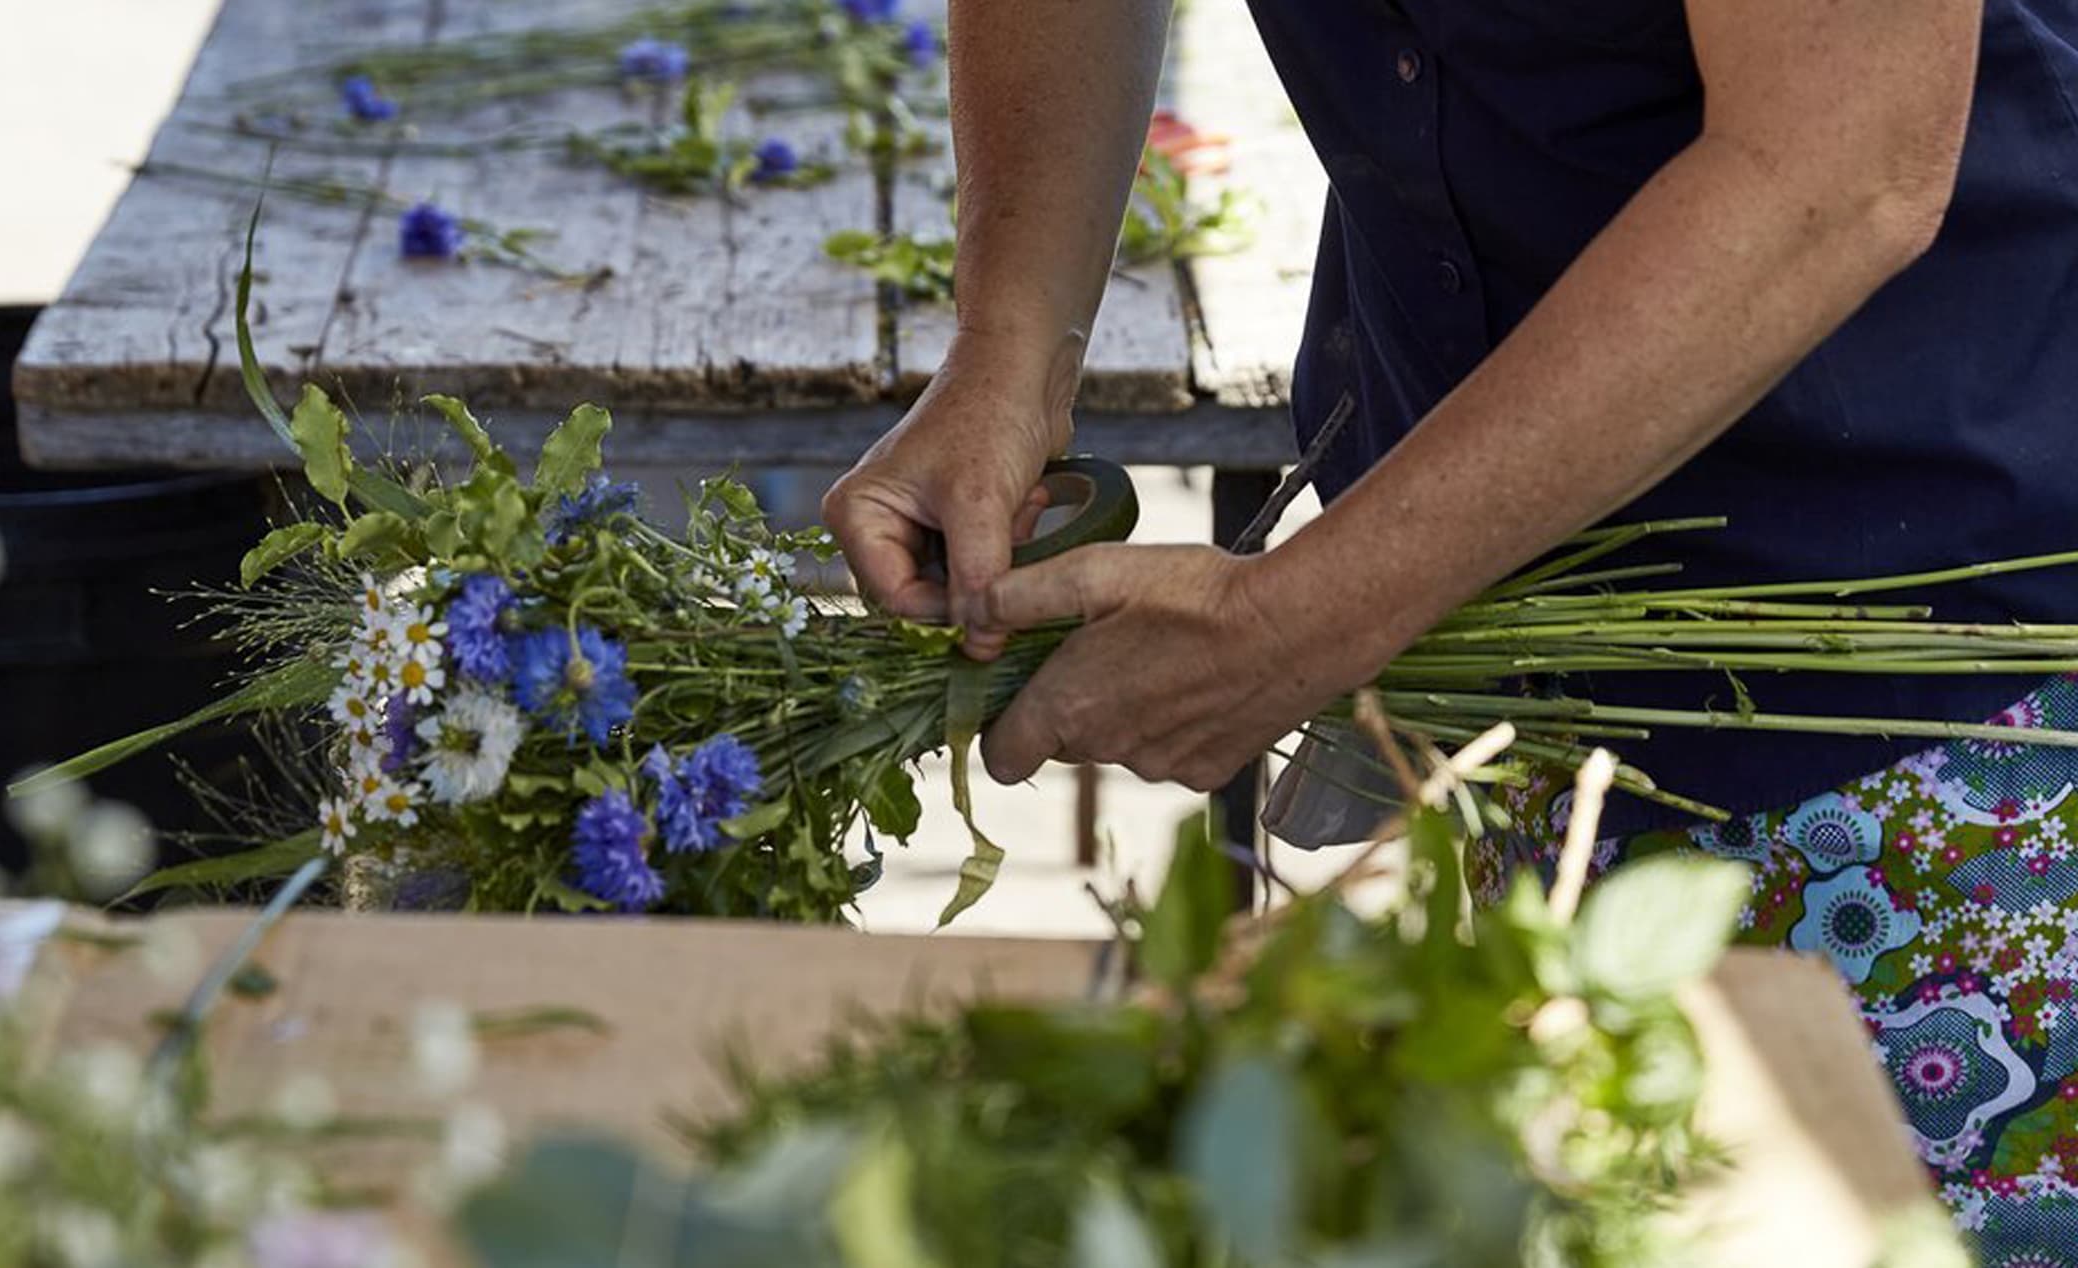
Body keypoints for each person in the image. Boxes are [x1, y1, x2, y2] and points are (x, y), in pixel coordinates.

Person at [823, 0, 2078, 1255]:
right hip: (1503, 602)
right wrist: (1007, 350)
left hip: (1939, 662)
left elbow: (1845, 164)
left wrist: (1290, 622)